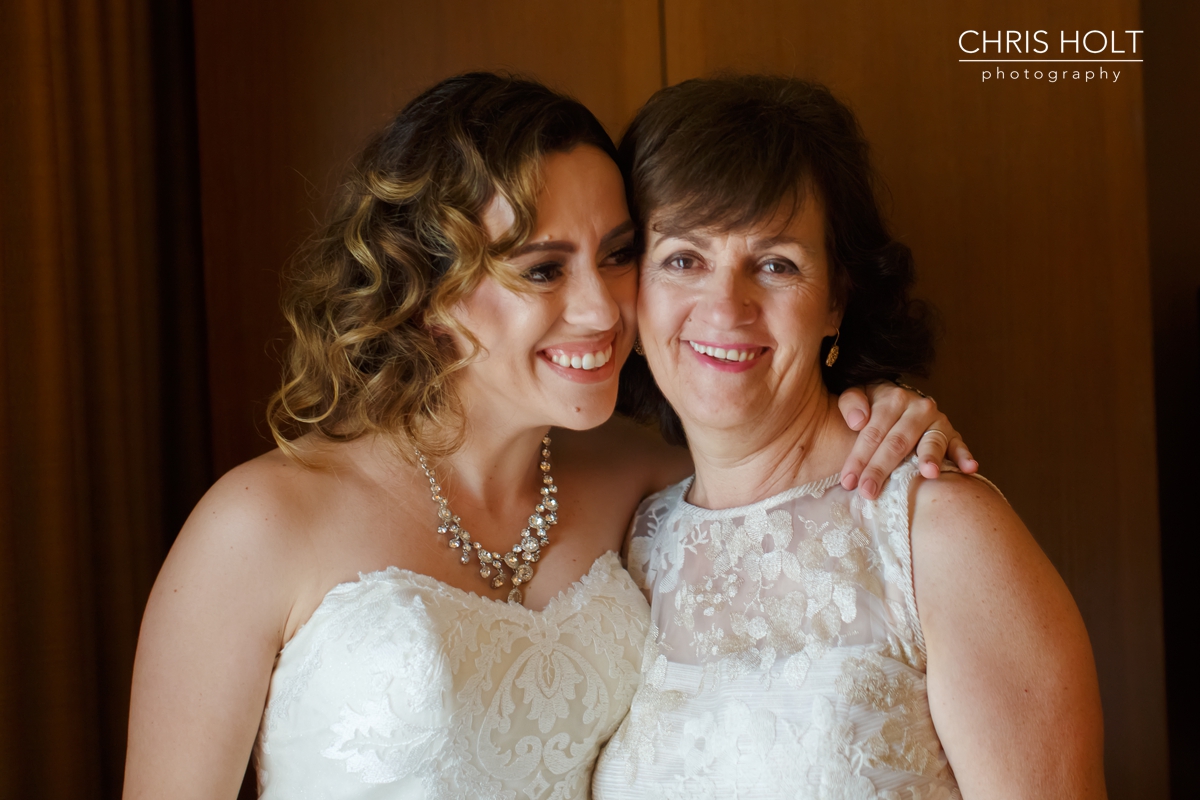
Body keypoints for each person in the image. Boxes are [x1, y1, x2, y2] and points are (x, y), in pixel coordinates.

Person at [123, 73, 971, 799]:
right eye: (542, 269)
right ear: (428, 291)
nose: (603, 309)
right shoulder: (259, 525)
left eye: (616, 254)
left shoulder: (643, 480)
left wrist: (887, 412)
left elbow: (787, 467)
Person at [592, 75, 1105, 799]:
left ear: (836, 299)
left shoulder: (939, 534)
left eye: (775, 264)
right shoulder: (626, 543)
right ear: (632, 289)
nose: (726, 306)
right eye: (683, 258)